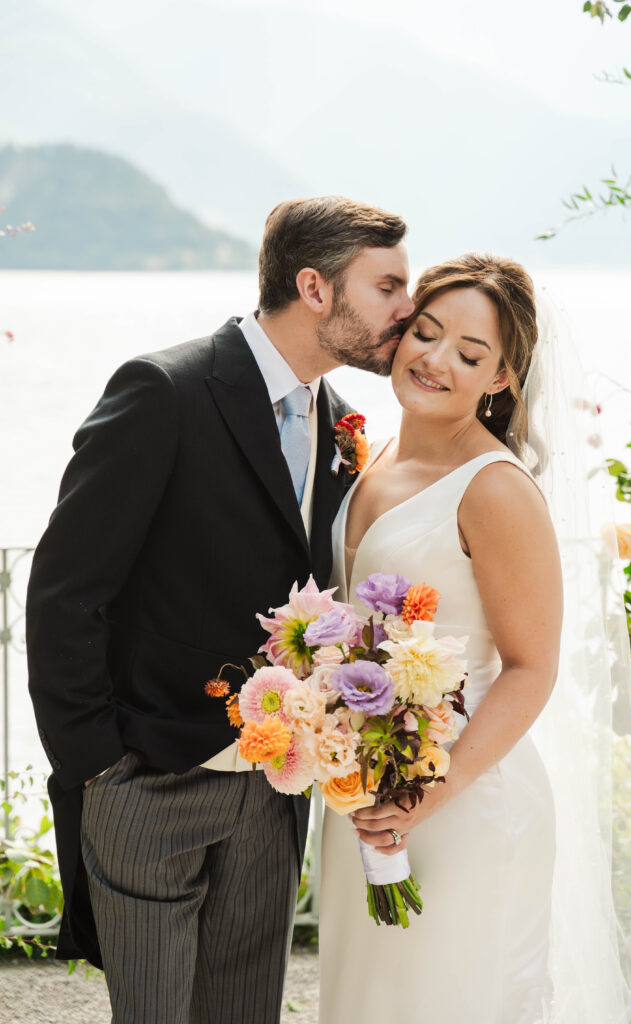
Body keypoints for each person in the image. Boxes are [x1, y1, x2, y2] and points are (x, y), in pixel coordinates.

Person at [26, 195, 414, 1024]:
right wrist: (99, 769)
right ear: (315, 288)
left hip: (275, 795)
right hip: (150, 779)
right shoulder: (163, 391)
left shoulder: (337, 417)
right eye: (386, 286)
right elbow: (65, 590)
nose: (404, 311)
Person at [319, 254, 631, 1023]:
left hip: (460, 798)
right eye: (424, 334)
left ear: (500, 378)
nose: (434, 361)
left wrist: (425, 796)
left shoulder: (493, 489)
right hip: (366, 792)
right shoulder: (372, 459)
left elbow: (531, 668)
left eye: (468, 355)